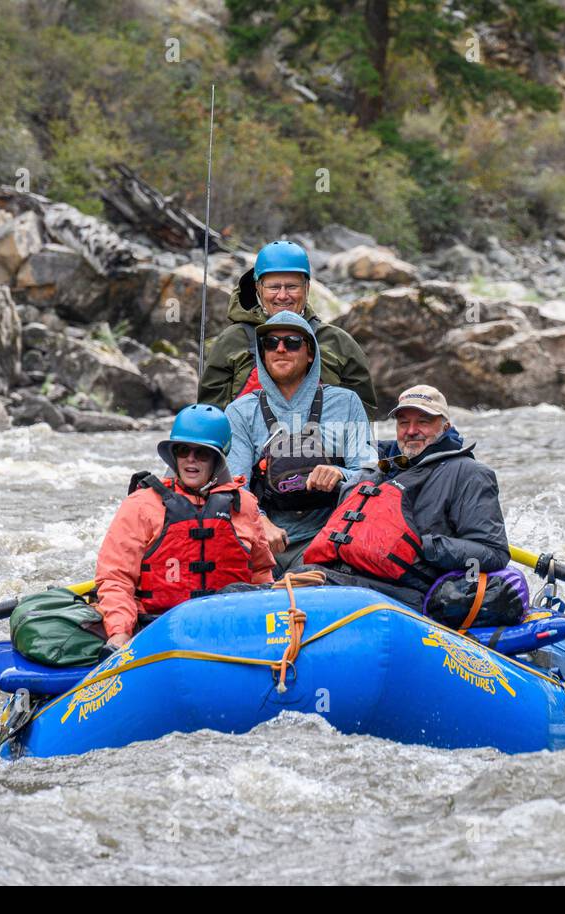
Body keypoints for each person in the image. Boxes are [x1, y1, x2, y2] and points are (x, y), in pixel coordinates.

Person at [300, 385, 510, 611]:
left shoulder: (470, 473)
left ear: (446, 427)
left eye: (423, 421)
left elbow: (494, 553)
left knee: (304, 582)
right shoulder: (379, 469)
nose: (411, 431)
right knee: (296, 577)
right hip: (341, 576)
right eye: (403, 422)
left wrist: (424, 546)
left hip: (403, 594)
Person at [93, 404, 275, 646]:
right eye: (182, 450)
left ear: (217, 459)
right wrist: (119, 634)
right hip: (157, 628)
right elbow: (116, 579)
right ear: (173, 455)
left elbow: (261, 575)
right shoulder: (141, 505)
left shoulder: (245, 505)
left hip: (230, 629)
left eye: (201, 452)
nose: (190, 459)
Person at [225, 310, 377, 575]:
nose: (280, 349)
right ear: (262, 354)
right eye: (271, 343)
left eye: (292, 342)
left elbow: (370, 474)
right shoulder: (239, 411)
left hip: (327, 537)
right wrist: (260, 521)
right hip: (263, 540)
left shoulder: (346, 402)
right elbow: (235, 487)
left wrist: (339, 473)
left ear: (310, 353)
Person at [198, 239, 378, 419]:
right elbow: (210, 419)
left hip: (325, 445)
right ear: (258, 289)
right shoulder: (232, 340)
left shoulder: (339, 342)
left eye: (292, 287)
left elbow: (362, 418)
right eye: (274, 287)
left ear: (307, 288)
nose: (283, 296)